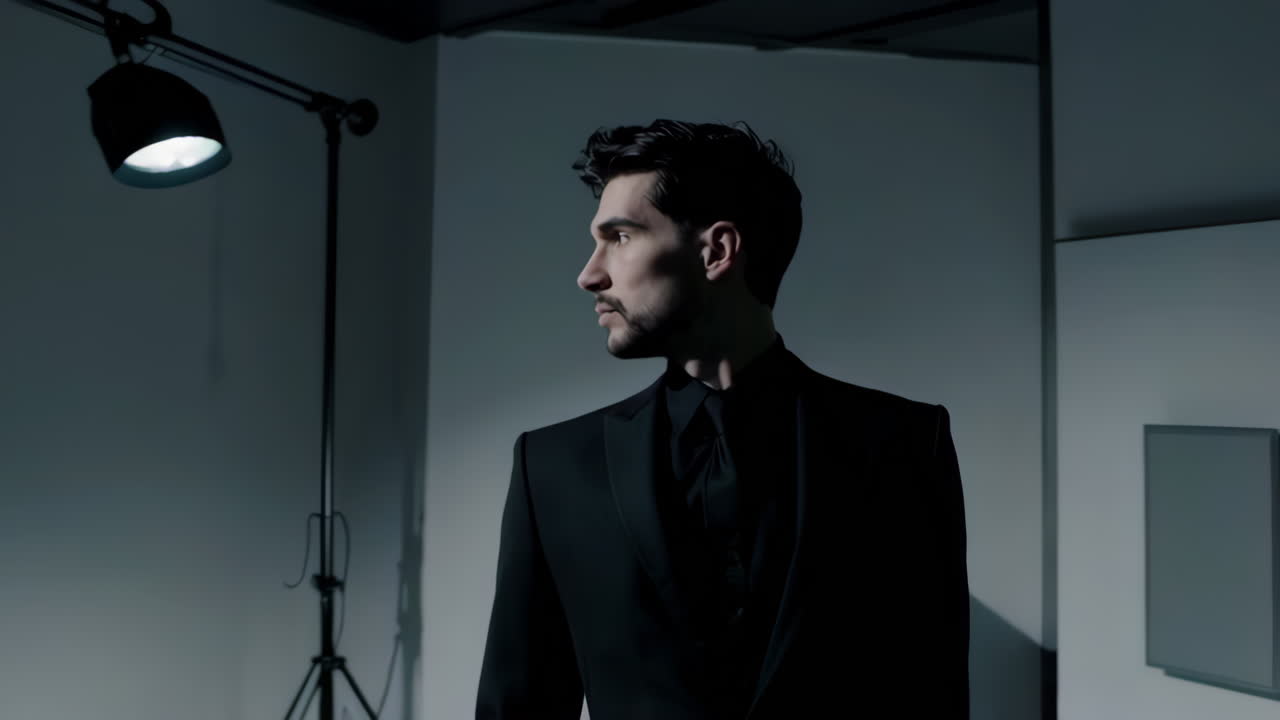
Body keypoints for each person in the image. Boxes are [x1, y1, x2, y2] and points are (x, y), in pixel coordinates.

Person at [476, 119, 969, 719]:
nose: (590, 274)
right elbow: (517, 707)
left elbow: (932, 692)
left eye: (620, 237)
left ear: (716, 251)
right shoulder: (551, 467)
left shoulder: (902, 444)